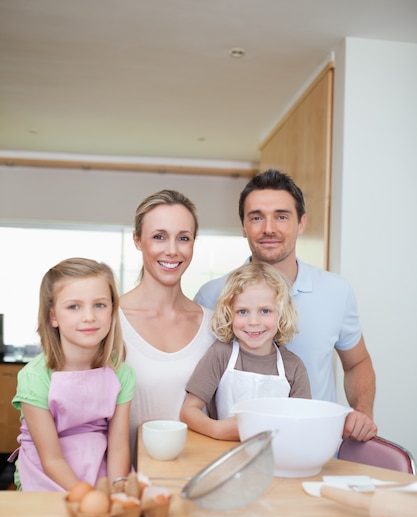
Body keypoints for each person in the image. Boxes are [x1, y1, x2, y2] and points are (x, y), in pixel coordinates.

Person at [194, 169, 377, 442]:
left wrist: (362, 412)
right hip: (233, 454)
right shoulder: (213, 295)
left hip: (316, 448)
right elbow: (198, 386)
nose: (269, 228)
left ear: (301, 223)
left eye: (281, 216)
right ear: (243, 227)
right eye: (256, 217)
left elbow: (357, 363)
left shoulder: (337, 291)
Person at [10, 258, 135, 492]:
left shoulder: (122, 374)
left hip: (101, 468)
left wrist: (117, 488)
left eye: (99, 305)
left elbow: (118, 447)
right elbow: (51, 459)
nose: (89, 316)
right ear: (53, 317)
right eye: (73, 307)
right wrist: (85, 495)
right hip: (47, 473)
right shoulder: (35, 377)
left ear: (112, 310)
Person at [119, 190, 216, 465]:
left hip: (196, 481)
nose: (172, 250)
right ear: (138, 240)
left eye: (183, 238)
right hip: (128, 486)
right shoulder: (110, 321)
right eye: (159, 236)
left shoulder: (214, 325)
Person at [181, 262, 311, 440]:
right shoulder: (221, 354)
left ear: (282, 314)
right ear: (229, 313)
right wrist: (218, 430)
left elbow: (304, 424)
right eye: (242, 311)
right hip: (224, 455)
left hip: (277, 458)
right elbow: (188, 411)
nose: (253, 321)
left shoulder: (293, 367)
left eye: (265, 311)